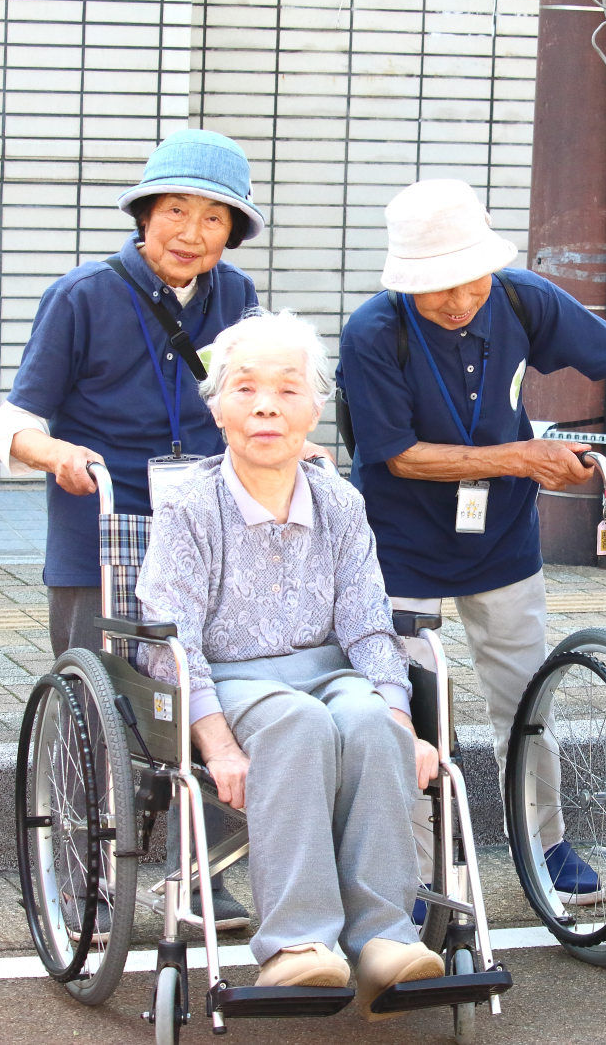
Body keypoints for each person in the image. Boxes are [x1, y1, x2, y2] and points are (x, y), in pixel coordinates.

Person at [335, 179, 606, 903]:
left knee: (529, 700)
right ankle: (415, 860)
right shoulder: (374, 332)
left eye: (468, 283)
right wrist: (523, 457)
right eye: (437, 290)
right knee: (400, 705)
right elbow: (399, 455)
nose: (458, 301)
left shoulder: (521, 296)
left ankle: (545, 841)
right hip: (399, 543)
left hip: (501, 538)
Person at [0, 129, 274, 930]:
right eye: (176, 210)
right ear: (145, 213)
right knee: (100, 709)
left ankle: (204, 870)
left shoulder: (237, 296)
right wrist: (58, 454)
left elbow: (249, 394)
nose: (192, 232)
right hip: (102, 527)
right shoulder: (82, 295)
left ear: (232, 232)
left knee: (215, 692)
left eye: (214, 218)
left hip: (208, 531)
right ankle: (84, 874)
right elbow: (14, 419)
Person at [136, 311, 445, 1015]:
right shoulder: (189, 508)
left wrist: (402, 719)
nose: (267, 404)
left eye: (287, 388)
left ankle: (382, 938)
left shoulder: (340, 502)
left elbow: (369, 626)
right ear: (217, 409)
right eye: (245, 389)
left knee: (369, 723)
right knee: (299, 723)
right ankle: (298, 944)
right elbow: (172, 640)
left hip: (330, 669)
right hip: (231, 678)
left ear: (313, 409)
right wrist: (214, 743)